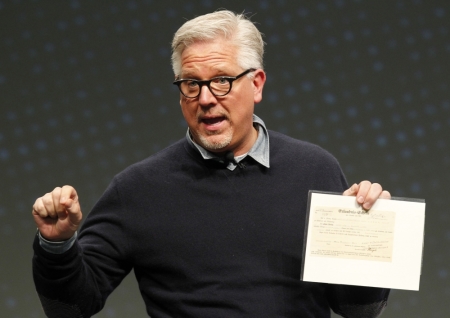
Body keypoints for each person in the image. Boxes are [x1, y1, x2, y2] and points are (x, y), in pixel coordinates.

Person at [32, 10, 391, 318]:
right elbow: (71, 309)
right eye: (191, 84)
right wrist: (58, 246)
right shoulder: (138, 188)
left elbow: (359, 310)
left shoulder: (314, 169)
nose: (205, 99)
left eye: (221, 81)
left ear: (257, 84)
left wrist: (369, 237)